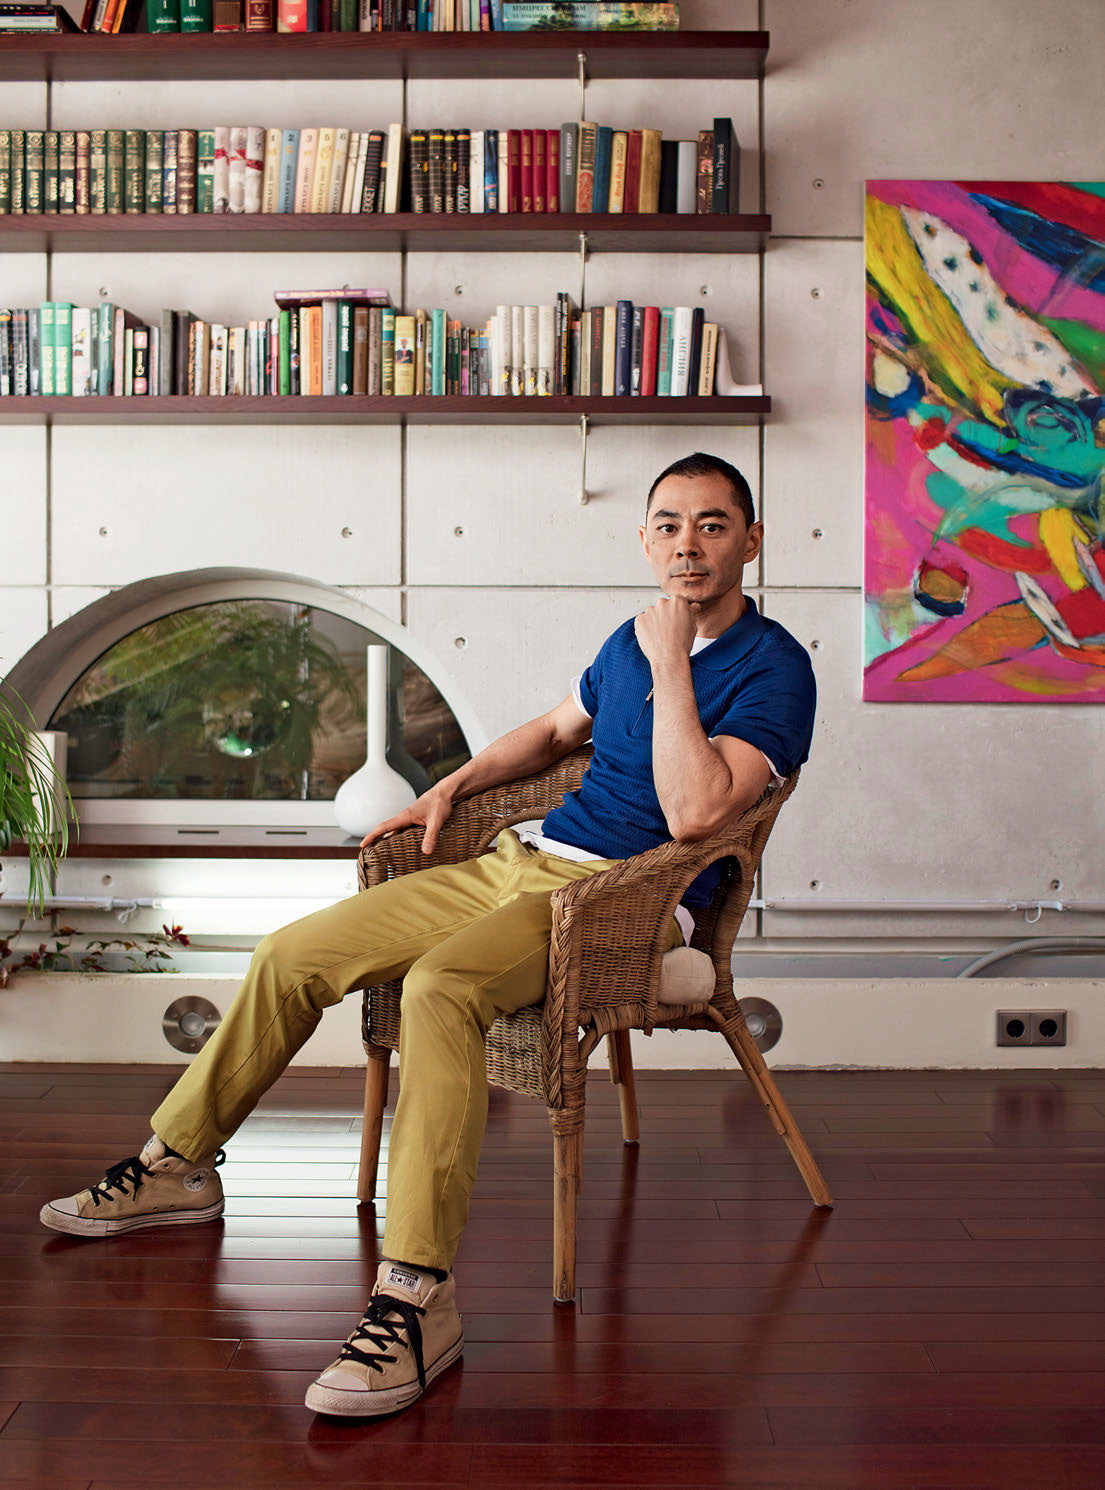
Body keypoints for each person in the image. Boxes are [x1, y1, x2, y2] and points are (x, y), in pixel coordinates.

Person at [40, 451, 816, 1419]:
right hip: (523, 862)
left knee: (440, 987)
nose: (686, 544)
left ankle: (415, 1295)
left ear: (751, 540)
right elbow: (551, 733)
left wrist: (673, 664)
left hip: (623, 902)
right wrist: (450, 785)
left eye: (711, 524)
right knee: (293, 952)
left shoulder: (774, 666)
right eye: (668, 524)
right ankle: (178, 1162)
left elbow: (698, 812)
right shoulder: (628, 641)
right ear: (643, 538)